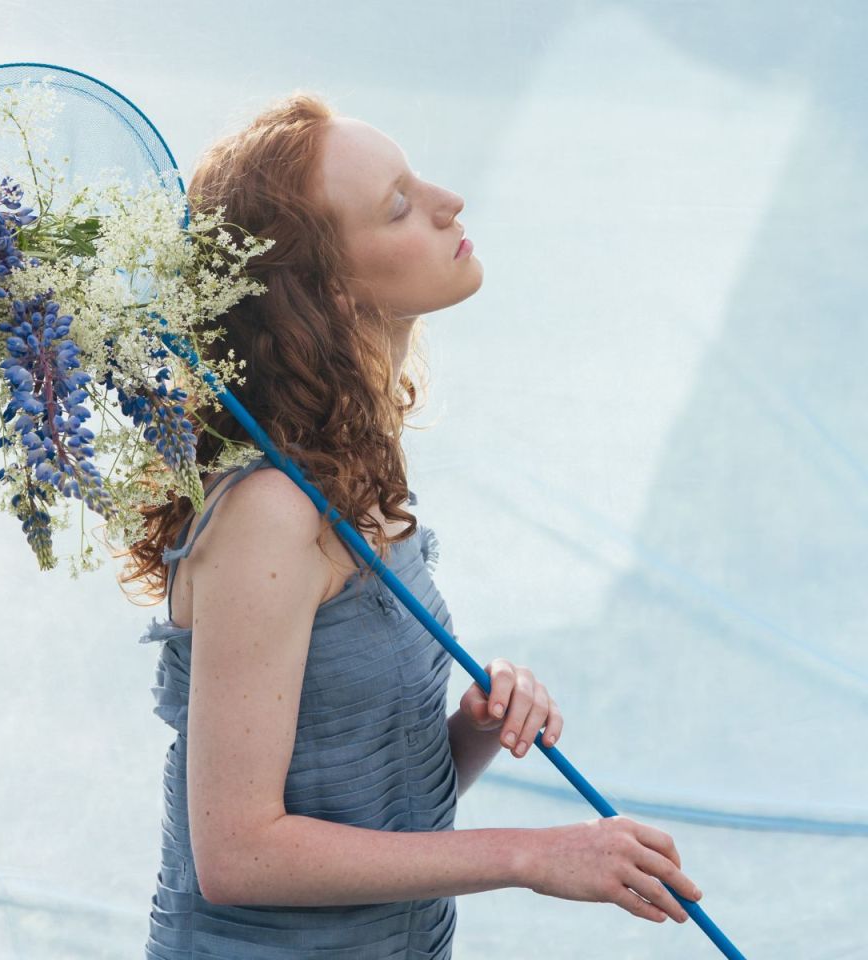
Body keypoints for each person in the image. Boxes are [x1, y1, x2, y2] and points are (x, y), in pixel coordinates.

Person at [126, 91, 703, 958]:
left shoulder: (353, 475)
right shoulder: (268, 517)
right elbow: (240, 854)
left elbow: (359, 808)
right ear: (326, 294)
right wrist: (533, 854)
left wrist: (468, 733)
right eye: (399, 205)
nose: (449, 204)